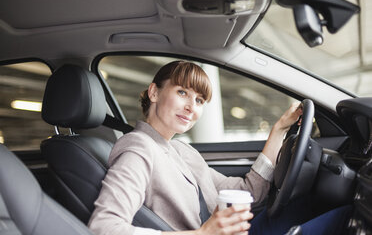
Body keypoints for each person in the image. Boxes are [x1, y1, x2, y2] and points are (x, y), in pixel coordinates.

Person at [88, 61, 350, 235]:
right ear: (154, 93)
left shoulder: (181, 151)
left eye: (199, 99)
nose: (192, 107)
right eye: (182, 92)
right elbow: (103, 226)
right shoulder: (138, 149)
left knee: (315, 205)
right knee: (346, 219)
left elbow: (249, 192)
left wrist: (279, 129)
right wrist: (202, 233)